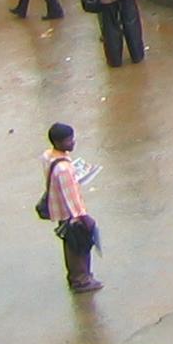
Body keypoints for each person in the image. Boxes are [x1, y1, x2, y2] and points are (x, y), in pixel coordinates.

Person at [42, 122, 101, 294]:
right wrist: (82, 217)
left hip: (58, 208)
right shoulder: (64, 169)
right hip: (71, 214)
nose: (73, 143)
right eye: (69, 141)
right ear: (59, 142)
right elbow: (71, 197)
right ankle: (81, 280)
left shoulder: (49, 155)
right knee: (79, 246)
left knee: (69, 244)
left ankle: (74, 277)